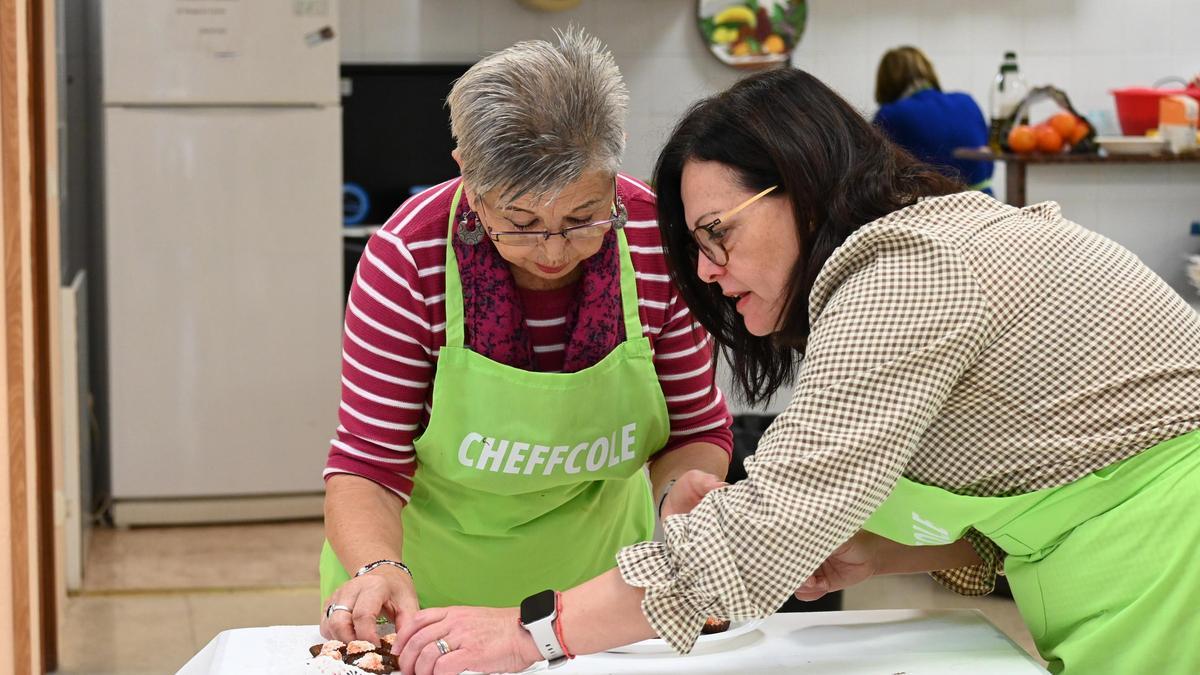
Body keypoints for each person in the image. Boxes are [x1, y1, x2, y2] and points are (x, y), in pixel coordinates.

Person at [387, 66, 1200, 675]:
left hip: (1170, 556)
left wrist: (534, 632)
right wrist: (882, 553)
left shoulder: (908, 273)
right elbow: (1030, 484)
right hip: (1112, 569)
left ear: (800, 184)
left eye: (718, 233)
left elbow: (764, 520)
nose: (706, 272)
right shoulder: (909, 261)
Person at [318, 28, 733, 647]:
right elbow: (369, 462)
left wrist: (679, 497)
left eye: (584, 216)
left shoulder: (656, 240)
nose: (556, 249)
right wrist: (379, 567)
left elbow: (693, 428)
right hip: (428, 598)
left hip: (595, 599)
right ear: (468, 178)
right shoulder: (409, 257)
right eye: (521, 223)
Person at [874, 46, 993, 194]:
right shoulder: (966, 101)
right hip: (986, 204)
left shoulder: (891, 114)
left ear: (886, 83)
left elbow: (875, 178)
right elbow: (988, 166)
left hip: (933, 210)